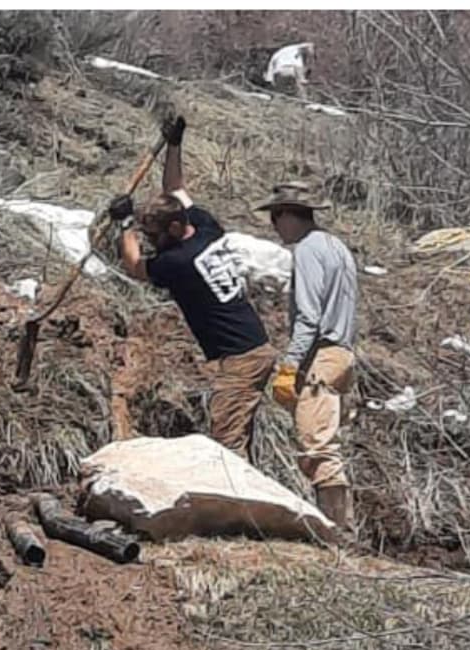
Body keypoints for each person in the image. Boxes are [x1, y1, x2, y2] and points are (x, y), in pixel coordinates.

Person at [109, 115, 276, 460]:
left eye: (153, 237)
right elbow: (176, 188)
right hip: (253, 348)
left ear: (172, 229)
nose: (151, 243)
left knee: (227, 443)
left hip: (242, 358)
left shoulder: (179, 262)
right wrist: (174, 145)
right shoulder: (203, 226)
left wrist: (124, 224)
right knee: (236, 433)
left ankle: (237, 507)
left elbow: (135, 266)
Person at [257, 182, 359, 535]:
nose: (273, 225)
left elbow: (309, 317)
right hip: (343, 353)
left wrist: (290, 365)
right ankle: (337, 527)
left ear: (288, 214)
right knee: (328, 442)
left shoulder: (308, 250)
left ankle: (334, 532)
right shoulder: (336, 246)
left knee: (317, 445)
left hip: (322, 356)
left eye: (275, 217)